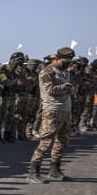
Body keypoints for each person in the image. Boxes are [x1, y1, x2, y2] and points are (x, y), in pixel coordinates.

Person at [27, 47, 76, 183]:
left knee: (62, 141)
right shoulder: (46, 71)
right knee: (46, 142)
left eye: (70, 61)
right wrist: (65, 88)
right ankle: (34, 170)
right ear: (57, 58)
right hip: (52, 111)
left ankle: (54, 169)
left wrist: (71, 90)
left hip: (66, 110)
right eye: (65, 61)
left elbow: (70, 89)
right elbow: (49, 90)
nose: (68, 63)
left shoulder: (66, 72)